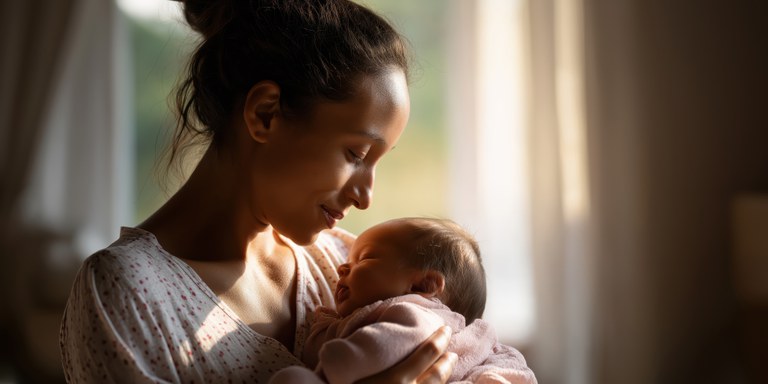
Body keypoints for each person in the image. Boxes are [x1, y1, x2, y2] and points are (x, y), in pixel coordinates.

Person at [59, 0, 458, 382]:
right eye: (356, 153)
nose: (365, 196)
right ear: (264, 114)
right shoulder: (128, 293)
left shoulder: (348, 265)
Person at [269, 217, 537, 384]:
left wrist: (340, 358)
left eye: (363, 259)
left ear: (422, 285)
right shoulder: (367, 316)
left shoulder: (419, 315)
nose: (341, 267)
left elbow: (382, 347)